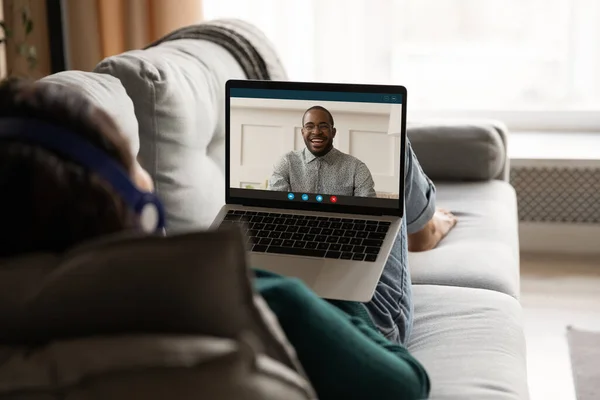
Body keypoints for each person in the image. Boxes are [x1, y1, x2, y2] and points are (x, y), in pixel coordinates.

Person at [0, 78, 457, 399]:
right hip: (345, 319)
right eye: (132, 157)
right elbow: (406, 386)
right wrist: (325, 285)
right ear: (131, 207)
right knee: (393, 152)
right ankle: (427, 227)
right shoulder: (272, 298)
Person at [268, 105, 377, 197]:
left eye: (323, 126)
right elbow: (272, 203)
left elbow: (369, 210)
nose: (316, 132)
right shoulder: (287, 162)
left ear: (333, 132)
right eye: (309, 126)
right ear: (302, 132)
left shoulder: (356, 168)